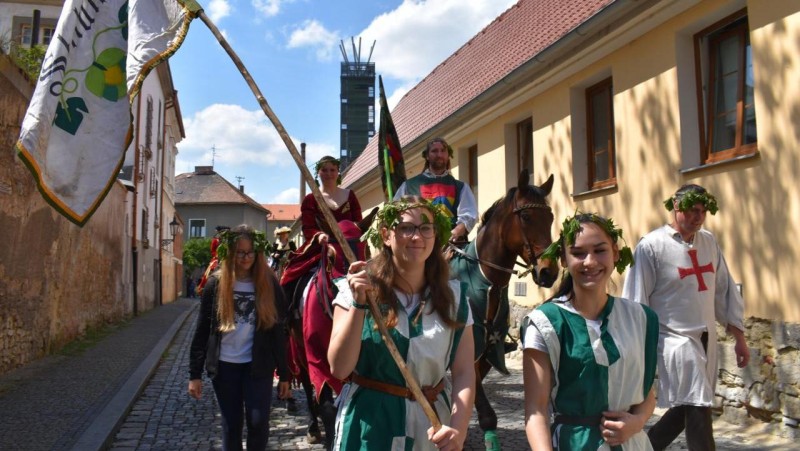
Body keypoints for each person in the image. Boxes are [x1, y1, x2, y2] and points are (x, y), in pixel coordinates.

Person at [327, 197, 475, 451]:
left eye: (425, 228)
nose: (416, 237)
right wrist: (359, 304)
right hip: (370, 426)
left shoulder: (456, 297)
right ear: (386, 235)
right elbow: (339, 368)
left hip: (430, 427)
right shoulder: (356, 288)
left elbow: (463, 371)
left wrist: (459, 430)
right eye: (406, 228)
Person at [622, 184, 750, 451]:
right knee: (699, 402)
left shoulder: (709, 242)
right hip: (673, 340)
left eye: (703, 211)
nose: (699, 216)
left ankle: (647, 447)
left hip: (706, 338)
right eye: (693, 210)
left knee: (690, 403)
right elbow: (636, 300)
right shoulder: (651, 246)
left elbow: (723, 290)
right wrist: (635, 350)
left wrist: (739, 337)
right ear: (676, 206)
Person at [522, 212, 659, 450]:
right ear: (563, 260)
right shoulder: (545, 322)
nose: (590, 262)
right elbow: (536, 410)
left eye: (600, 250)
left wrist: (636, 422)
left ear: (615, 253)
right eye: (577, 253)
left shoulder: (641, 318)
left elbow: (646, 393)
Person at [188, 225, 291, 451]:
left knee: (258, 422)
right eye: (240, 252)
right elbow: (202, 330)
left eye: (250, 252)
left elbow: (277, 332)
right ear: (230, 253)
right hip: (225, 367)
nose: (245, 258)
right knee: (231, 425)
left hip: (258, 366)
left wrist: (284, 373)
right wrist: (195, 374)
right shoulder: (216, 283)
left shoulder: (269, 283)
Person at [393, 137, 477, 243]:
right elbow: (396, 214)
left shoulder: (461, 187)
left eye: (443, 151)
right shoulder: (409, 186)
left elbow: (469, 215)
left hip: (452, 245)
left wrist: (455, 232)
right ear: (427, 156)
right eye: (434, 151)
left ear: (448, 155)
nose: (439, 155)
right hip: (418, 243)